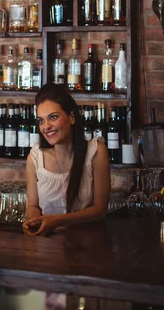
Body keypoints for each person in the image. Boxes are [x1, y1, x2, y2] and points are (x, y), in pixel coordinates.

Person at [23, 83, 111, 236]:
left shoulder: (96, 152)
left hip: (88, 245)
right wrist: (32, 221)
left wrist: (57, 221)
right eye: (41, 121)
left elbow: (100, 209)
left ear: (71, 117)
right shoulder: (35, 158)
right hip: (47, 246)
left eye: (53, 117)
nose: (46, 126)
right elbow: (33, 206)